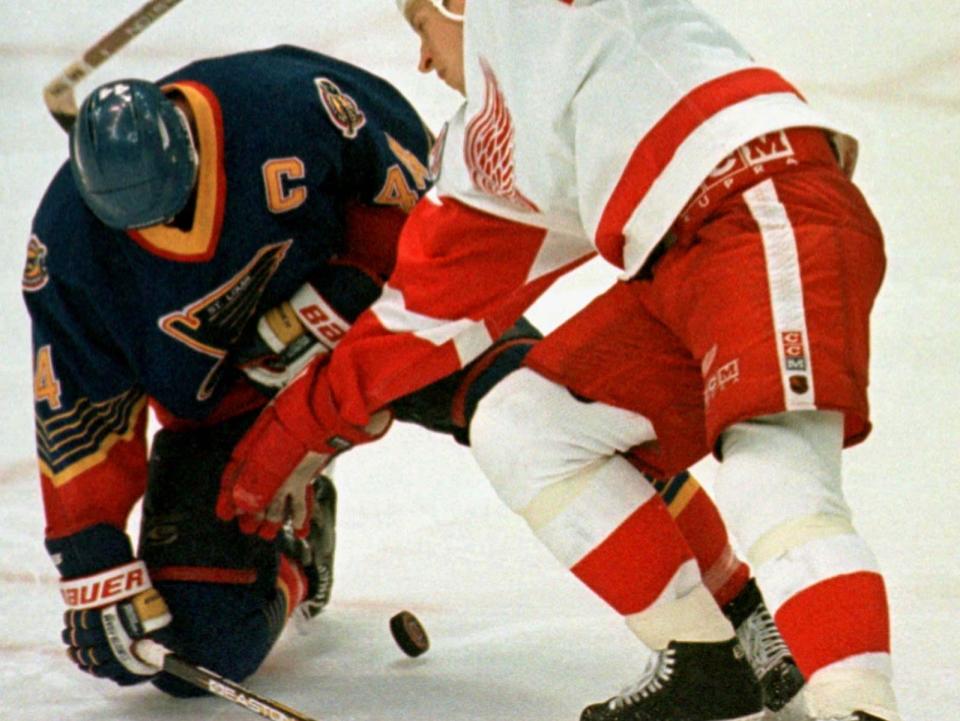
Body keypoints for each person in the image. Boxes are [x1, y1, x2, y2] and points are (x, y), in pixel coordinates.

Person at [214, 3, 899, 721]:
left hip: (762, 200)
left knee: (776, 472)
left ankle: (858, 705)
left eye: (420, 23)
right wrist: (287, 441)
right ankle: (703, 655)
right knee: (526, 422)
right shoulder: (496, 145)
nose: (420, 58)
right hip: (675, 266)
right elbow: (413, 323)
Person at [24, 44, 546, 697]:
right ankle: (301, 550)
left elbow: (418, 197)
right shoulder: (69, 250)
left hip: (383, 330)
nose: (167, 227)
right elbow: (79, 407)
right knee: (195, 646)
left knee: (545, 402)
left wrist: (343, 294)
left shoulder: (284, 104)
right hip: (236, 407)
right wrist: (91, 556)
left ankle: (705, 601)